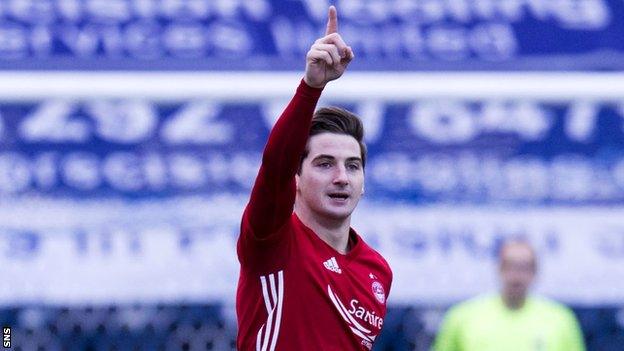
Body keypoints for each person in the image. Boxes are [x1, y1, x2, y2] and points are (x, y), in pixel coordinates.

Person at [235, 6, 392, 351]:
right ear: (296, 179)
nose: (341, 177)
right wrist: (311, 88)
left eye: (352, 166)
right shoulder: (272, 240)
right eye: (324, 164)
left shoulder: (377, 270)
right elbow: (275, 166)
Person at [433, 239, 585, 351]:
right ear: (499, 269)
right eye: (510, 266)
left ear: (535, 272)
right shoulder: (461, 317)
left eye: (524, 268)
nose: (516, 275)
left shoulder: (560, 319)